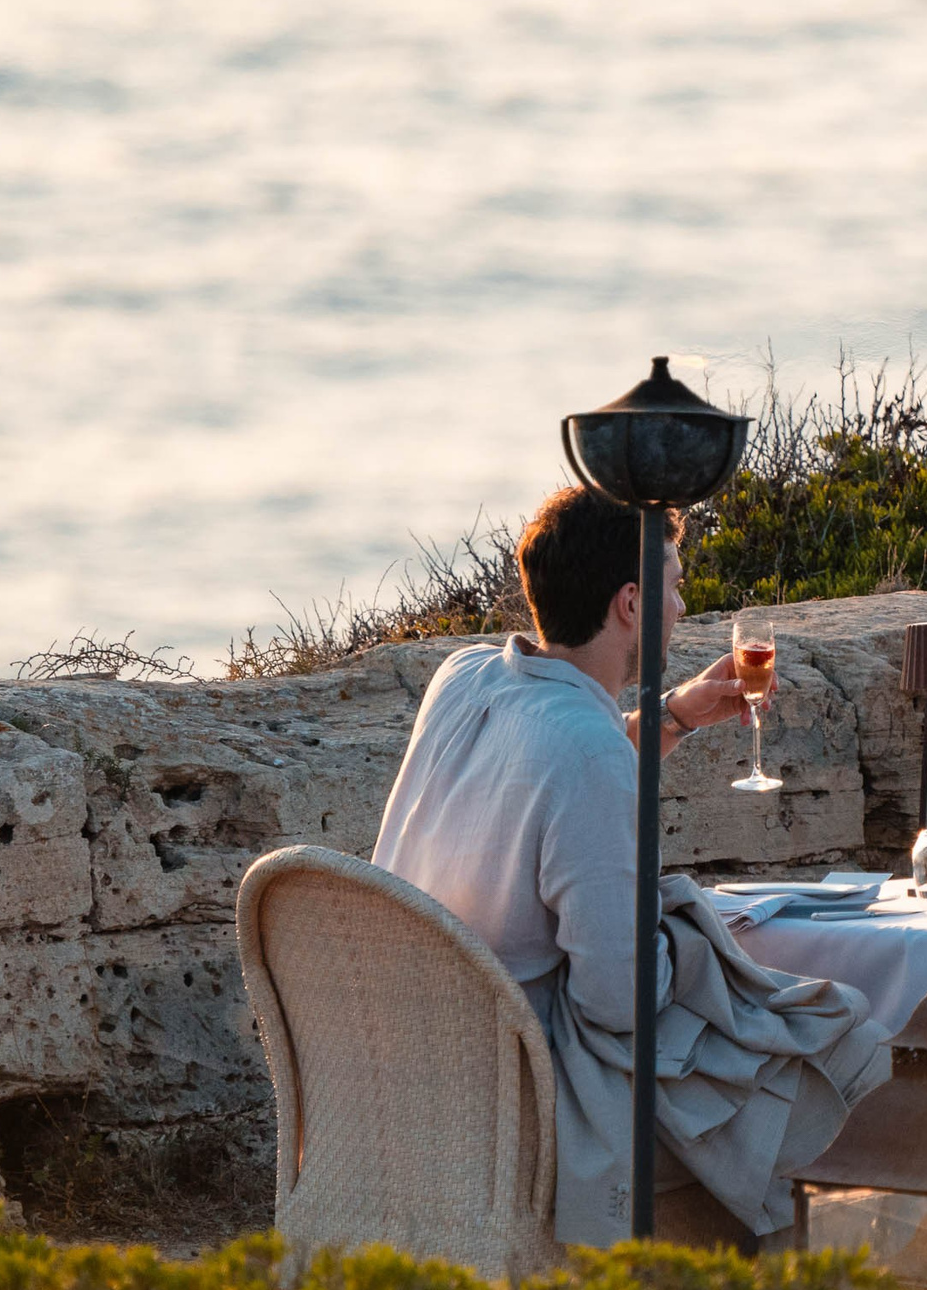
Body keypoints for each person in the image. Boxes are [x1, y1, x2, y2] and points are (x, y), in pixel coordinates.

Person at [371, 485, 885, 1249]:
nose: (683, 607)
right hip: (526, 1100)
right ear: (632, 603)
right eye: (676, 586)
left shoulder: (464, 679)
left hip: (417, 1078)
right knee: (847, 1048)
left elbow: (548, 760)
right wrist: (692, 937)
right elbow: (621, 1001)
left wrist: (670, 717)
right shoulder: (586, 752)